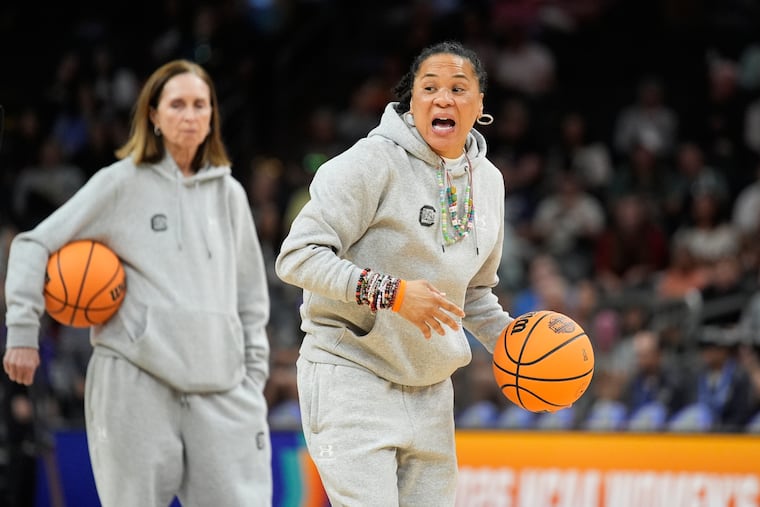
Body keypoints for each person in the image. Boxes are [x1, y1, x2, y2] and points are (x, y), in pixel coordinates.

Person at [3, 59, 272, 506]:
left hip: (222, 392)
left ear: (212, 116)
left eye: (200, 105)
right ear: (153, 116)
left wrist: (252, 377)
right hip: (136, 383)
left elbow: (251, 300)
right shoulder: (120, 184)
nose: (190, 115)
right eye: (178, 104)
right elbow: (32, 244)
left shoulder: (231, 194)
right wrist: (23, 331)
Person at [275, 41, 514, 506]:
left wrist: (512, 343)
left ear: (480, 104)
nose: (443, 99)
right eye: (430, 88)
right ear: (412, 101)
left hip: (430, 389)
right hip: (351, 375)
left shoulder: (490, 182)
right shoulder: (369, 163)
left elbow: (476, 291)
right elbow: (297, 256)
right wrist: (392, 293)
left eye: (458, 88)